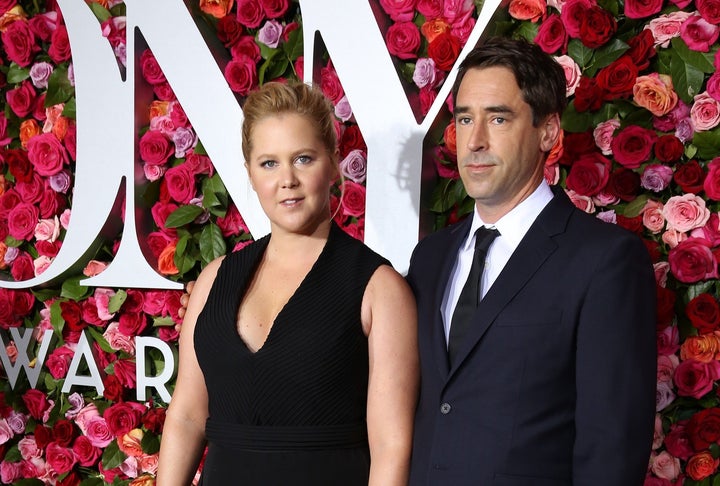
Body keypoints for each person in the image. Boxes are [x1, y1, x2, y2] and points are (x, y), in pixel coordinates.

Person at [405, 36, 656, 485]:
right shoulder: (430, 257)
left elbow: (612, 449)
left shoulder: (605, 261)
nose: (475, 141)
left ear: (549, 132)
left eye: (498, 118)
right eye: (465, 119)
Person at [157, 81, 419, 485]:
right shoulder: (215, 278)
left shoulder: (378, 289)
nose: (287, 180)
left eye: (303, 159)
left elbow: (390, 446)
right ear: (249, 172)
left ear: (332, 163)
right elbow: (188, 415)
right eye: (269, 163)